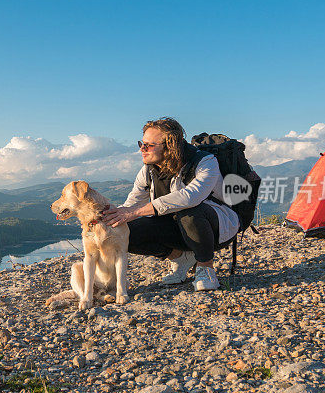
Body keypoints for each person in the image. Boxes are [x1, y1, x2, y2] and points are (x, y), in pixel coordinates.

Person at [102, 117, 239, 291]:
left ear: (170, 146)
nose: (142, 150)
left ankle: (206, 268)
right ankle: (182, 258)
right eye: (141, 144)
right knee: (126, 231)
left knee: (190, 212)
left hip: (215, 227)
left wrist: (135, 212)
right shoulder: (148, 170)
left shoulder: (205, 162)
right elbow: (132, 204)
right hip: (176, 226)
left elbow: (191, 197)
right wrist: (109, 219)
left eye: (149, 145)